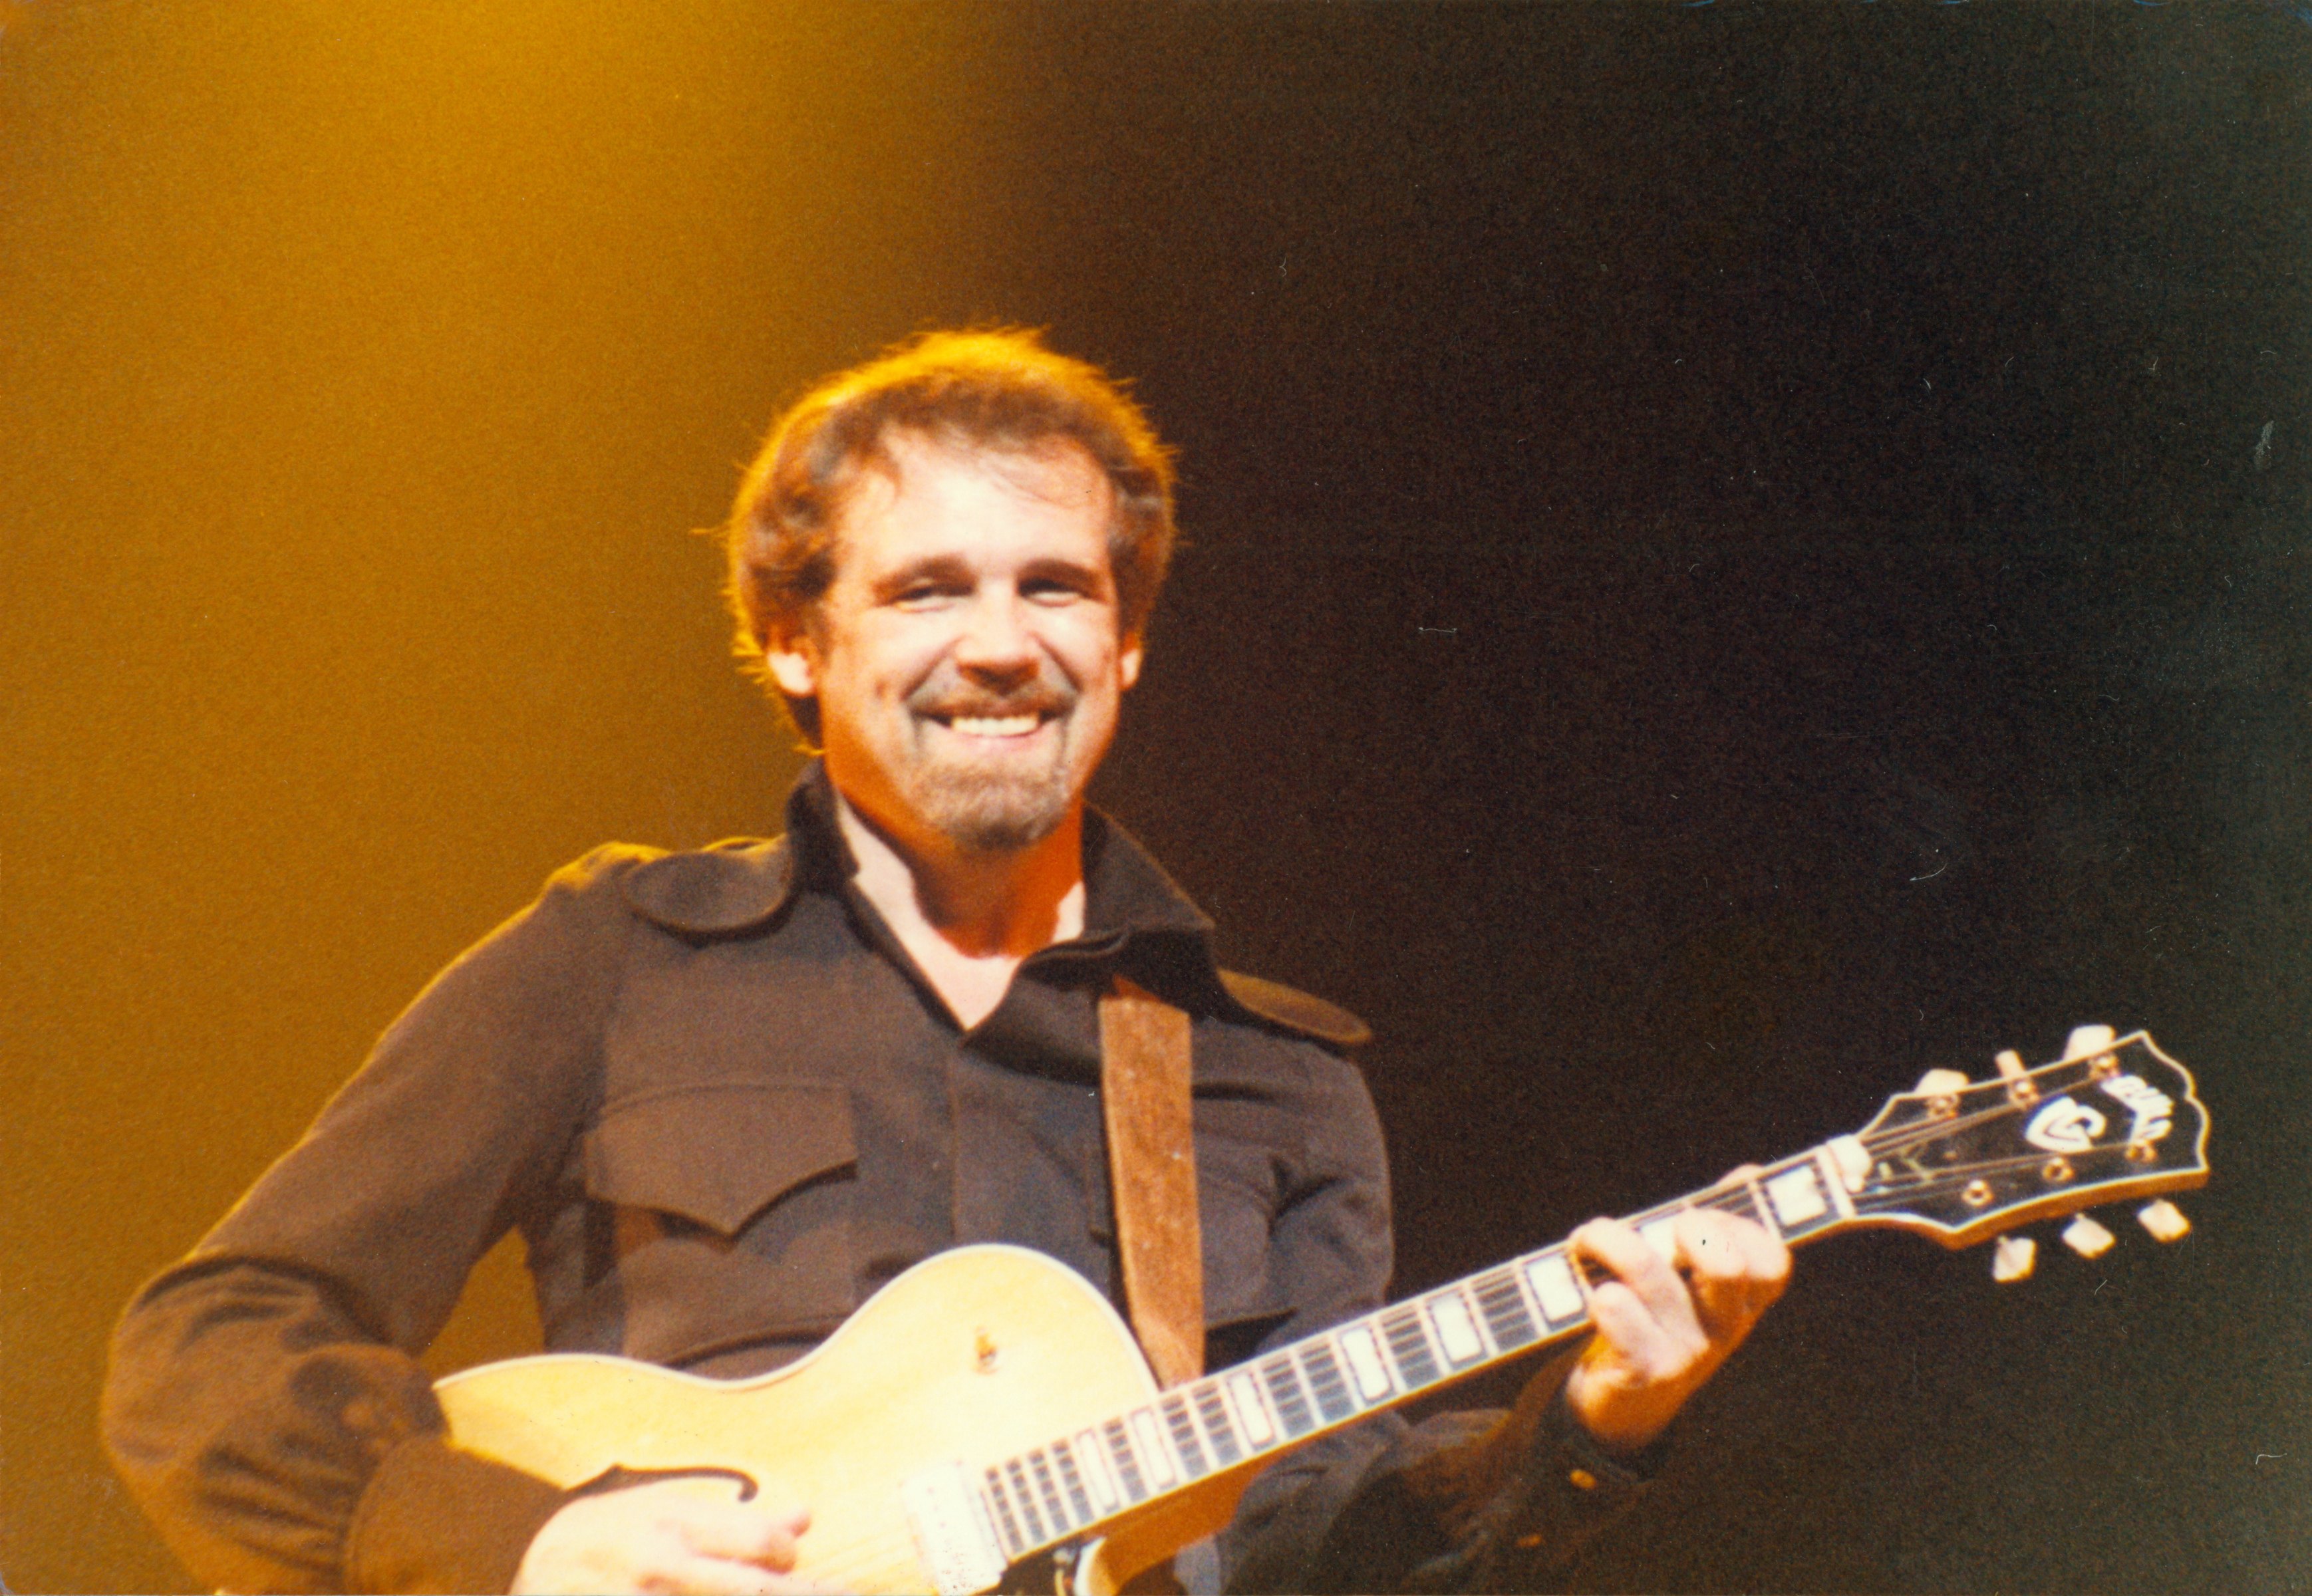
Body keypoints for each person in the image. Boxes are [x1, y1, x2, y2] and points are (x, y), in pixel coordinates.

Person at [103, 330, 1789, 1595]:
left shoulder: (1272, 1075)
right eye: (926, 590)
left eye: (1056, 588)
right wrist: (522, 1543)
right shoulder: (617, 959)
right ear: (794, 641)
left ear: (1125, 644)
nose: (999, 645)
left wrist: (1596, 1421)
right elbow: (207, 1350)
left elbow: (1301, 1553)